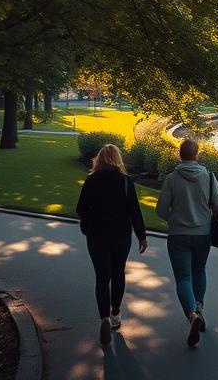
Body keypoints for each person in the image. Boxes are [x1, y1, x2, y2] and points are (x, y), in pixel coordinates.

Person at [76, 144, 148, 345]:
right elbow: (135, 211)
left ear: (98, 159)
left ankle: (104, 318)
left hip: (97, 235)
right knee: (118, 273)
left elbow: (80, 208)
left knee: (102, 277)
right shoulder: (126, 182)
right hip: (121, 235)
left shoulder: (91, 181)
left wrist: (90, 220)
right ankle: (115, 313)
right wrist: (142, 236)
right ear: (118, 159)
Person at [156, 139, 218, 348]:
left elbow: (160, 210)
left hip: (178, 235)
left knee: (183, 278)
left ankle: (191, 315)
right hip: (203, 234)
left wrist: (174, 219)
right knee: (199, 271)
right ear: (196, 154)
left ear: (180, 154)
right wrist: (212, 218)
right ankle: (199, 309)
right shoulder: (209, 177)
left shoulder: (171, 179)